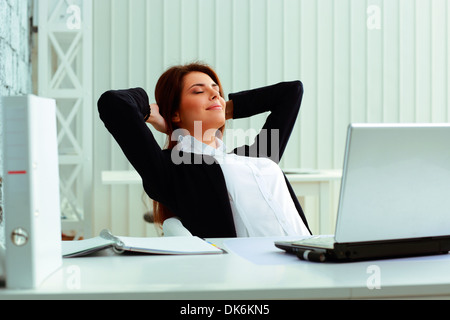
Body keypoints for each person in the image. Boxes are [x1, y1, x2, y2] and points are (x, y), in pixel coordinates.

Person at [97, 62, 311, 238]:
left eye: (217, 90)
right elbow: (114, 103)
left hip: (312, 257)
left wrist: (222, 108)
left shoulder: (255, 155)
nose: (215, 94)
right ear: (174, 113)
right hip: (259, 275)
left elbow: (291, 92)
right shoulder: (174, 169)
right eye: (199, 91)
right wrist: (151, 112)